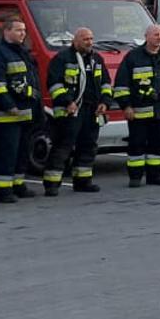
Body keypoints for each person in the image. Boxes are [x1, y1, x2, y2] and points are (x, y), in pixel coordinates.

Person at [42, 28, 114, 195]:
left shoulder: (96, 59)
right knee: (63, 146)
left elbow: (106, 83)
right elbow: (54, 85)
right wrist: (68, 101)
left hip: (92, 110)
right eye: (85, 39)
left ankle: (83, 182)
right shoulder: (62, 58)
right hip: (70, 111)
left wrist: (105, 102)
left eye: (91, 39)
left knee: (88, 146)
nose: (90, 42)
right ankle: (52, 184)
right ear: (75, 41)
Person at [0, 19, 40, 203]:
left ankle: (17, 184)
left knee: (21, 153)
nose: (23, 33)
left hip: (24, 113)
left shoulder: (21, 52)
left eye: (24, 30)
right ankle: (1, 190)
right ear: (6, 31)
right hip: (6, 116)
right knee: (5, 154)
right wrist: (9, 106)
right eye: (18, 30)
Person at [117, 25, 160, 188]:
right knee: (136, 145)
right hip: (138, 112)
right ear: (146, 37)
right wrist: (126, 106)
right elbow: (121, 85)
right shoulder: (133, 57)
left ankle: (155, 176)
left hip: (159, 112)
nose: (159, 38)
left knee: (158, 145)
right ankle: (135, 177)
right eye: (156, 35)